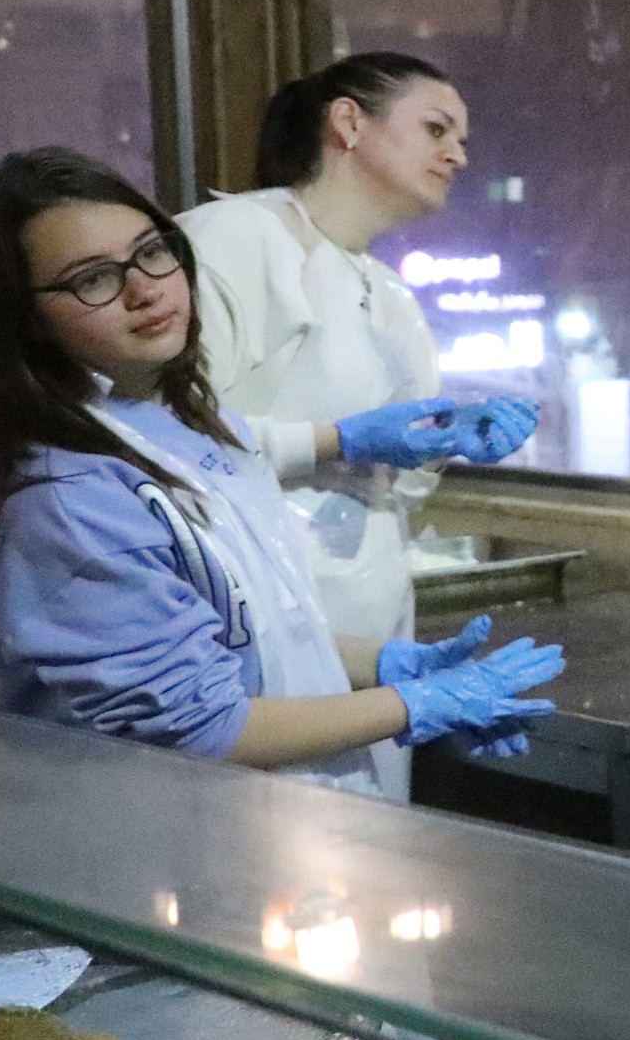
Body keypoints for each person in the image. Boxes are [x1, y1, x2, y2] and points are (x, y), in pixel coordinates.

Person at [0, 150, 563, 798]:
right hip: (162, 838)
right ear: (22, 318)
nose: (145, 289)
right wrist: (418, 704)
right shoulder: (69, 501)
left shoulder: (179, 421)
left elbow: (246, 635)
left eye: (152, 251)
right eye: (93, 278)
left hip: (266, 825)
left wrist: (384, 664)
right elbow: (205, 728)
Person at [180, 52, 539, 651]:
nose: (458, 156)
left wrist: (441, 442)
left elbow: (399, 492)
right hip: (245, 628)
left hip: (368, 633)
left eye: (461, 140)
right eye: (435, 129)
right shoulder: (236, 236)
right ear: (348, 122)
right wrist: (339, 440)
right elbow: (161, 438)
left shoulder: (389, 292)